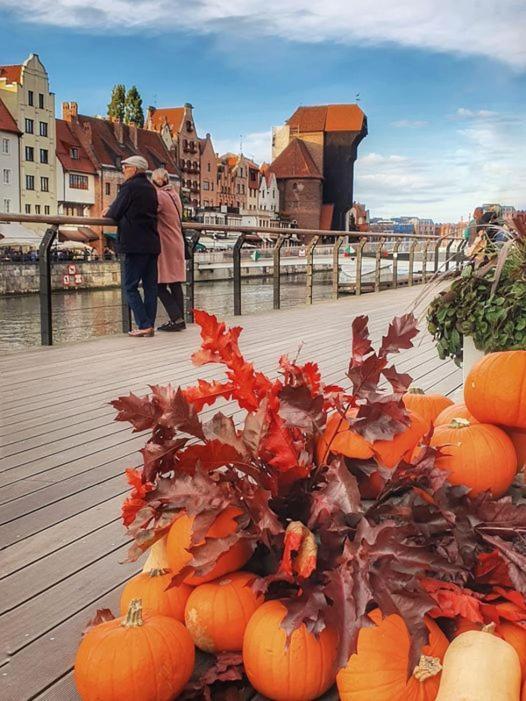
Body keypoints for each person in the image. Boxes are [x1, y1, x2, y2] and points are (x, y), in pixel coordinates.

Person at [105, 155, 160, 337]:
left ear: (135, 169)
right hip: (152, 243)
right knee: (151, 286)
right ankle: (149, 323)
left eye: (126, 167)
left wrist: (108, 210)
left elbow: (116, 212)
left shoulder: (129, 187)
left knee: (129, 286)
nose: (123, 170)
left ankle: (144, 324)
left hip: (135, 243)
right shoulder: (151, 189)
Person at [151, 169, 186, 332]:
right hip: (177, 240)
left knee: (159, 284)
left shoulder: (160, 196)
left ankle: (176, 317)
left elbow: (148, 211)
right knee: (175, 282)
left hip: (165, 243)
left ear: (157, 181)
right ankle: (179, 319)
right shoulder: (175, 195)